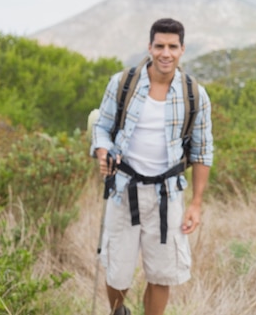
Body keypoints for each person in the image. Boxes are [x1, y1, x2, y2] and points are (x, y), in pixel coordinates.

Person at [90, 18, 214, 315]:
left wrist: (196, 203)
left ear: (182, 49)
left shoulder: (194, 94)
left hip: (168, 195)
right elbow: (102, 127)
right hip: (123, 191)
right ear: (149, 47)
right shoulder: (123, 83)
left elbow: (202, 152)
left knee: (162, 273)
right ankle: (119, 311)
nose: (165, 53)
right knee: (116, 270)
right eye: (160, 46)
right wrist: (102, 151)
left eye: (173, 46)